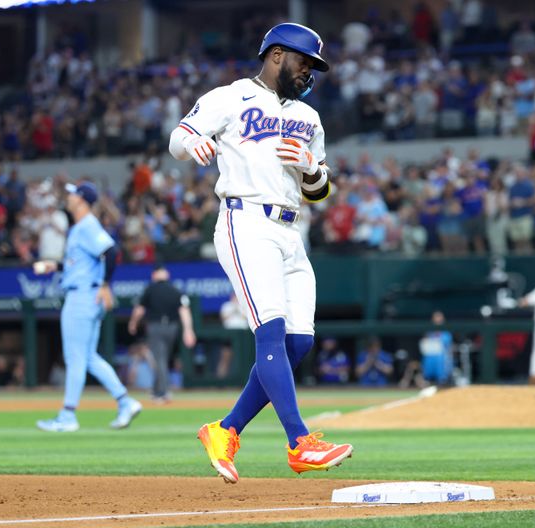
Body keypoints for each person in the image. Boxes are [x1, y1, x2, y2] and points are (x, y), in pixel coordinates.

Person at [168, 22, 352, 484]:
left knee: (300, 342)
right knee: (270, 332)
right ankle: (299, 442)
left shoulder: (309, 118)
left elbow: (319, 190)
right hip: (245, 220)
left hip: (293, 230)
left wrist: (312, 168)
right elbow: (178, 138)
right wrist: (194, 142)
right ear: (275, 55)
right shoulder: (230, 97)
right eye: (304, 62)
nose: (309, 72)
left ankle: (225, 429)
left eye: (313, 66)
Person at [33, 181, 143, 432]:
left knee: (74, 358)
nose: (69, 197)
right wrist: (57, 267)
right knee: (89, 358)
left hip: (82, 297)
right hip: (86, 293)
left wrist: (105, 284)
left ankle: (68, 415)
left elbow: (112, 251)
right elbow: (82, 263)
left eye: (73, 194)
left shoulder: (87, 225)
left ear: (82, 199)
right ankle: (125, 402)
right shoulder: (79, 228)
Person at [127, 265, 197, 403]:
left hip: (155, 327)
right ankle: (156, 390)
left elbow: (139, 310)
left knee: (159, 359)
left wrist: (133, 323)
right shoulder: (175, 289)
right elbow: (184, 311)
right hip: (172, 328)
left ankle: (164, 392)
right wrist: (188, 330)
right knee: (162, 359)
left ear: (154, 275)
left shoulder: (150, 289)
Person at [419, 311, 453, 386]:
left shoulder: (446, 333)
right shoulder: (429, 332)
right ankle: (427, 381)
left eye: (439, 317)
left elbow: (449, 347)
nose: (438, 319)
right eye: (436, 317)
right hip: (430, 357)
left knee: (442, 359)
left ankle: (442, 381)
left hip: (442, 358)